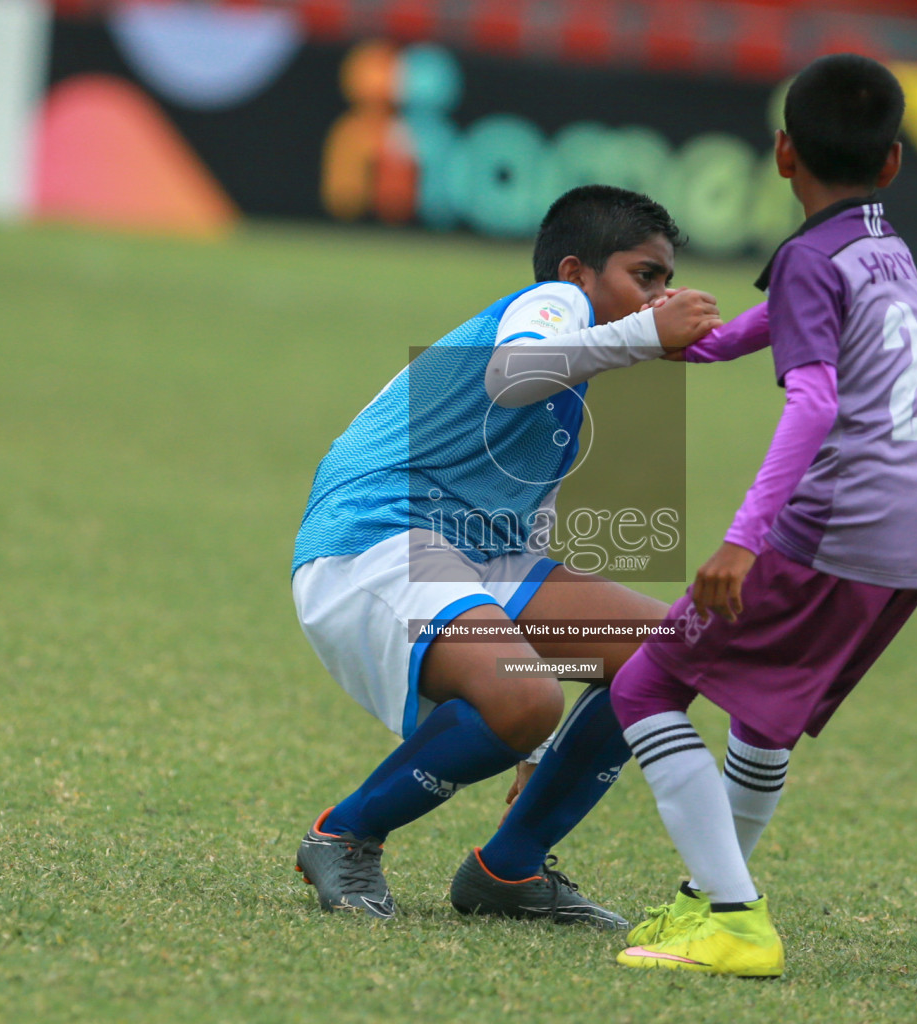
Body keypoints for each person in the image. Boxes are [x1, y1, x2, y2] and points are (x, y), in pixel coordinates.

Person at [291, 185, 722, 925]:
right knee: (523, 696)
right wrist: (649, 335)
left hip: (469, 554)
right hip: (374, 538)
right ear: (578, 270)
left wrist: (537, 753)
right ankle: (344, 834)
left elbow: (532, 535)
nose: (661, 294)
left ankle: (509, 871)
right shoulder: (551, 304)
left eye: (666, 279)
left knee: (668, 650)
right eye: (644, 276)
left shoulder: (575, 383)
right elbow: (512, 371)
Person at [607, 54, 917, 978]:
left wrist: (741, 540)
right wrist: (705, 345)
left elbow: (814, 400)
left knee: (642, 689)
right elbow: (812, 325)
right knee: (763, 719)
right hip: (914, 534)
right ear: (892, 163)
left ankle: (735, 919)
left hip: (836, 526)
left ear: (780, 152)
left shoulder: (806, 254)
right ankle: (709, 900)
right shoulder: (882, 239)